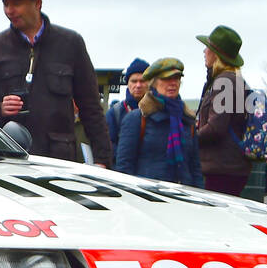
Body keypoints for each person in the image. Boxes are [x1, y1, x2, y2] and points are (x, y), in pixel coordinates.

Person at [0, 0, 111, 165]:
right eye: (5, 4)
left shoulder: (71, 44)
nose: (9, 11)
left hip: (60, 164)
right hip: (9, 163)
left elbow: (91, 108)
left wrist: (102, 159)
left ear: (37, 2)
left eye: (16, 3)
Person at [114, 57, 202, 185]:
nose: (173, 83)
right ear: (154, 83)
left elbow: (195, 168)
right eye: (166, 79)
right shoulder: (137, 118)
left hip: (184, 197)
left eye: (177, 78)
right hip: (147, 197)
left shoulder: (187, 120)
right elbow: (124, 167)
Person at [194, 25, 252, 196]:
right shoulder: (234, 81)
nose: (204, 51)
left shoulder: (225, 83)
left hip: (222, 169)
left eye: (208, 48)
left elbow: (216, 127)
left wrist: (189, 138)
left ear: (216, 54)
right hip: (230, 167)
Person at [106, 57, 148, 161]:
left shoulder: (158, 111)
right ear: (127, 83)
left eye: (142, 81)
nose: (138, 85)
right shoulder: (114, 113)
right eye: (134, 81)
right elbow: (108, 144)